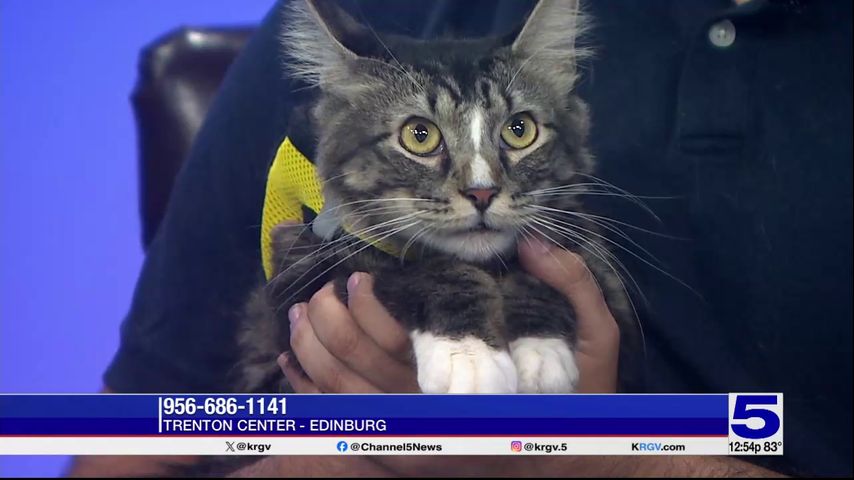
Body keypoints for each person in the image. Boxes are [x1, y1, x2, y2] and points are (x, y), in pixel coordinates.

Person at [69, 0, 851, 476]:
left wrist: (586, 456)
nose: (479, 185)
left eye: (518, 130)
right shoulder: (379, 17)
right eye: (419, 137)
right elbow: (133, 438)